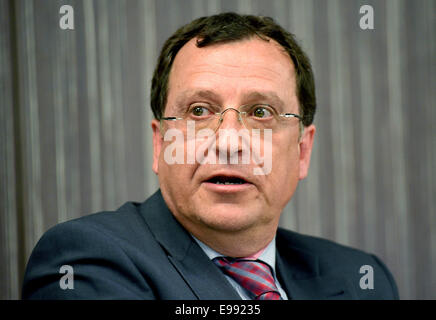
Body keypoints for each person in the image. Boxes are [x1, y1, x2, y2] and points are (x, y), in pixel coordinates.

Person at [22, 12, 399, 300]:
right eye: (199, 111)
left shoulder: (361, 278)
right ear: (160, 145)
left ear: (302, 152)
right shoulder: (85, 260)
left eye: (261, 113)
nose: (229, 141)